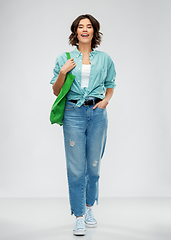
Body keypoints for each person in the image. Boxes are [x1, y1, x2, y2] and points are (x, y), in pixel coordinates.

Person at [50, 14, 116, 236]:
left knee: (94, 166)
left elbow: (110, 84)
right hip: (73, 113)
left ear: (94, 32)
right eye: (81, 27)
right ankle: (78, 216)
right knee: (76, 168)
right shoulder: (65, 58)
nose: (85, 30)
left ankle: (89, 209)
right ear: (75, 32)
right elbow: (57, 91)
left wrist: (105, 101)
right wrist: (62, 72)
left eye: (89, 26)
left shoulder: (105, 58)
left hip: (97, 114)